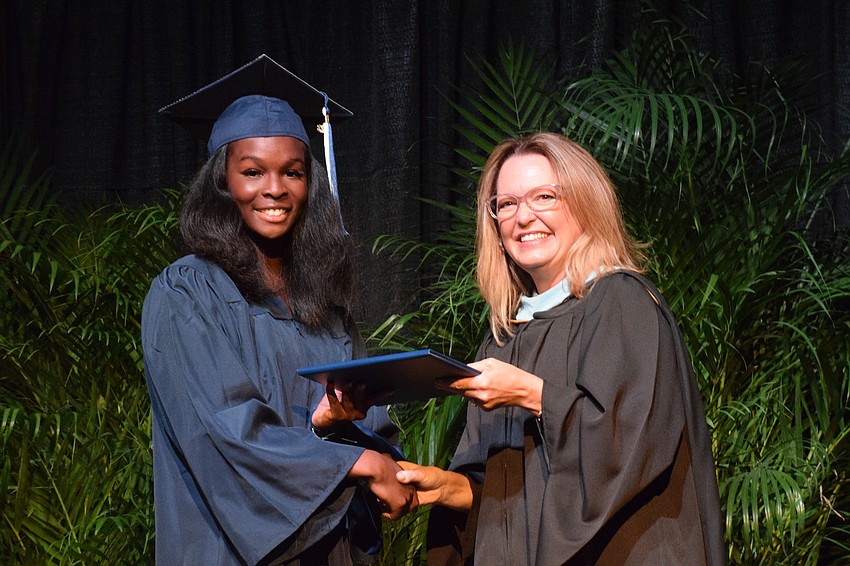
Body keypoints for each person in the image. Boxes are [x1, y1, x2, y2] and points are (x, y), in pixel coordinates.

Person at [396, 132, 725, 564]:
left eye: (544, 196)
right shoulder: (504, 338)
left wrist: (532, 394)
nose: (523, 217)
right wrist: (447, 488)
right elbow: (507, 495)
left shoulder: (620, 303)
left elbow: (628, 453)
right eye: (507, 204)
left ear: (586, 204)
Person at [142, 54, 413, 565]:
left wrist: (331, 426)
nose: (274, 189)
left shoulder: (324, 308)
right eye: (252, 172)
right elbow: (224, 435)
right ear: (223, 181)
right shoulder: (187, 294)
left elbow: (378, 440)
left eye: (292, 172)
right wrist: (355, 461)